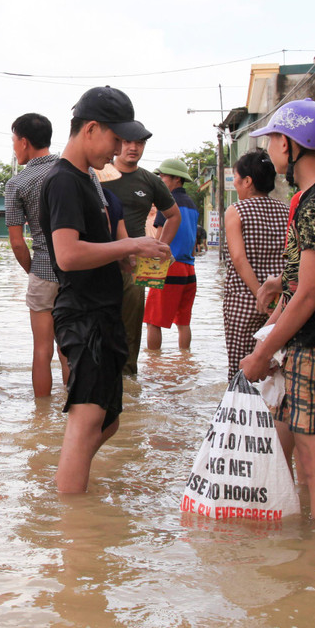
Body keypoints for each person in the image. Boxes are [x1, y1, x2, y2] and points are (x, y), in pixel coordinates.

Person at [41, 87, 170, 493]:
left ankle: (67, 480)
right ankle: (73, 530)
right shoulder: (63, 181)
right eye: (116, 139)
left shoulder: (91, 182)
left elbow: (96, 246)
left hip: (104, 309)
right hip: (83, 314)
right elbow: (67, 255)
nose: (118, 149)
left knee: (108, 419)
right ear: (91, 129)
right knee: (86, 421)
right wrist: (132, 243)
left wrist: (127, 258)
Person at [239, 99, 315, 522]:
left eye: (273, 138)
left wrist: (260, 353)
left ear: (292, 145)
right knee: (310, 460)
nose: (269, 147)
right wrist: (269, 339)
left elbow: (308, 294)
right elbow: (294, 290)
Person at [101, 132, 181, 375]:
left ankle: (128, 383)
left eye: (139, 143)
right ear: (118, 143)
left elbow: (174, 216)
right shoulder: (98, 175)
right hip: (98, 259)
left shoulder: (149, 180)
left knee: (131, 327)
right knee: (97, 323)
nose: (133, 147)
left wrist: (160, 249)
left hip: (135, 264)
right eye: (127, 141)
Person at [5, 113, 66, 398]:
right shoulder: (78, 171)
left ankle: (41, 420)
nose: (14, 147)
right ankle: (74, 411)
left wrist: (34, 270)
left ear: (25, 142)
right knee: (70, 347)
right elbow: (101, 221)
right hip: (78, 271)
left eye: (14, 141)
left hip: (43, 271)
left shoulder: (18, 183)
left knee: (42, 349)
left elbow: (17, 243)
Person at [222, 150, 289, 382]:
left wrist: (261, 294)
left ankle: (239, 416)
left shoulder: (236, 211)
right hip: (282, 302)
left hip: (243, 300)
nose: (235, 184)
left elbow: (239, 260)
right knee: (277, 372)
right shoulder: (287, 210)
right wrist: (273, 300)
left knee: (241, 372)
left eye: (236, 178)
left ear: (248, 181)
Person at [144, 159, 200, 351]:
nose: (160, 179)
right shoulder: (192, 206)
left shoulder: (167, 203)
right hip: (189, 270)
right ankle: (185, 361)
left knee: (153, 321)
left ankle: (153, 365)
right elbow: (193, 246)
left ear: (177, 179)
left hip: (168, 267)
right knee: (183, 323)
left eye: (163, 176)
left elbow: (159, 240)